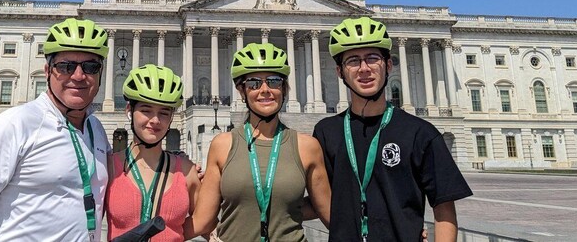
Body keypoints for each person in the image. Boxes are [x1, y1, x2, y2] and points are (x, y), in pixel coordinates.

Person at [0, 18, 111, 241]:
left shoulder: (96, 129)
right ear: (47, 71)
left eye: (90, 67)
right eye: (66, 66)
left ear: (100, 74)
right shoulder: (17, 123)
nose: (79, 76)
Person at [313, 16, 473, 242]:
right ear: (339, 72)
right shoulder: (326, 132)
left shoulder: (420, 133)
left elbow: (444, 208)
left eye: (372, 58)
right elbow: (317, 198)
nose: (364, 69)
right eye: (353, 61)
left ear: (388, 65)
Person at [192, 42, 331, 242]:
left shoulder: (307, 147)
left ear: (284, 88)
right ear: (242, 91)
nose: (265, 90)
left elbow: (327, 212)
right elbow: (203, 219)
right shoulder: (222, 145)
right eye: (254, 83)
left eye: (274, 81)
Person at [105, 64, 201, 241]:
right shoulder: (108, 167)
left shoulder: (187, 171)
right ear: (129, 111)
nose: (155, 120)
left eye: (164, 113)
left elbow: (205, 221)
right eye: (146, 110)